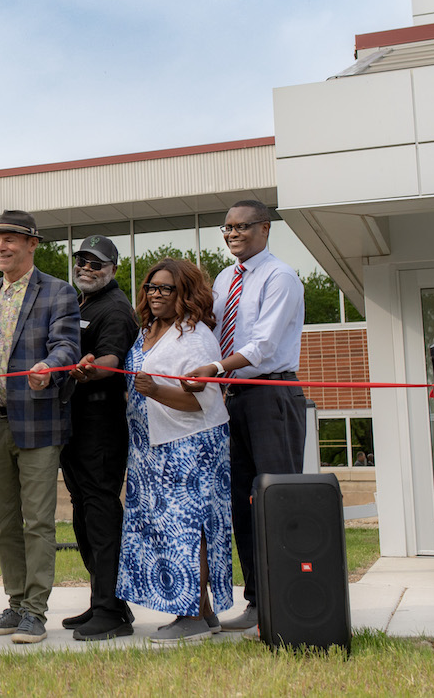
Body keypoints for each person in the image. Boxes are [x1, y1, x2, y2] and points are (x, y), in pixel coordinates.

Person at [184, 200, 307, 633]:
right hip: (231, 397)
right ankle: (257, 602)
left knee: (276, 498)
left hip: (271, 394)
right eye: (226, 228)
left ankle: (291, 599)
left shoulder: (281, 278)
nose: (232, 233)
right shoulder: (223, 279)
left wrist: (216, 368)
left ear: (265, 229)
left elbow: (265, 345)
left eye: (241, 226)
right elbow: (214, 336)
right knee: (242, 503)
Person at [0, 210, 80, 645]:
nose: (1, 246)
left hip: (37, 421)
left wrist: (49, 368)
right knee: (3, 522)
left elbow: (67, 345)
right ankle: (15, 603)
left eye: (10, 240)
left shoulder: (59, 292)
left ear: (32, 244)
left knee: (37, 522)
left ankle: (36, 612)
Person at [118, 258, 233, 644]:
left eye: (166, 288)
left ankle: (191, 614)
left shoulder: (195, 336)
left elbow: (205, 404)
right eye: (151, 287)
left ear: (185, 292)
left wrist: (156, 392)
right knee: (166, 529)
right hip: (151, 447)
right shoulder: (147, 331)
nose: (155, 294)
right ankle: (203, 613)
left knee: (189, 528)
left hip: (189, 447)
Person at [60, 235, 140, 641]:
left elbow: (112, 359)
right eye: (82, 261)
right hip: (75, 423)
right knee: (84, 511)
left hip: (101, 424)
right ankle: (105, 600)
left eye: (96, 264)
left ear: (112, 268)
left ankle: (111, 611)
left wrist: (93, 368)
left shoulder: (116, 308)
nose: (87, 269)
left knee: (101, 513)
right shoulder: (80, 303)